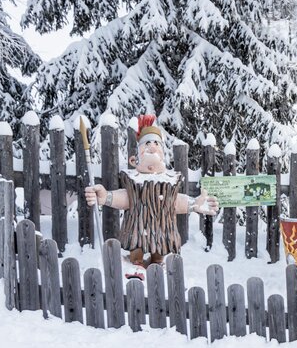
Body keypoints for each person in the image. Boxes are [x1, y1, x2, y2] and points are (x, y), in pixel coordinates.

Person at [85, 115, 219, 275]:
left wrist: (194, 204)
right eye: (147, 143)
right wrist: (105, 197)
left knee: (160, 251)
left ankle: (158, 263)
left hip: (162, 232)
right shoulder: (134, 181)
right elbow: (125, 199)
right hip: (136, 230)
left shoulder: (169, 181)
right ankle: (136, 263)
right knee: (137, 248)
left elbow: (175, 202)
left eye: (156, 143)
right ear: (134, 160)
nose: (152, 146)